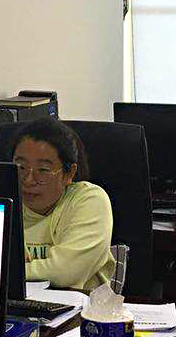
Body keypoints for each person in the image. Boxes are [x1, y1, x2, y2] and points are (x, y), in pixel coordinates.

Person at [12, 118, 115, 292]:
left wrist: (6, 272)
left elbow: (66, 273)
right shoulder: (1, 202)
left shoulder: (89, 200)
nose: (28, 180)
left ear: (69, 173)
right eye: (21, 167)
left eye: (43, 170)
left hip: (78, 306)